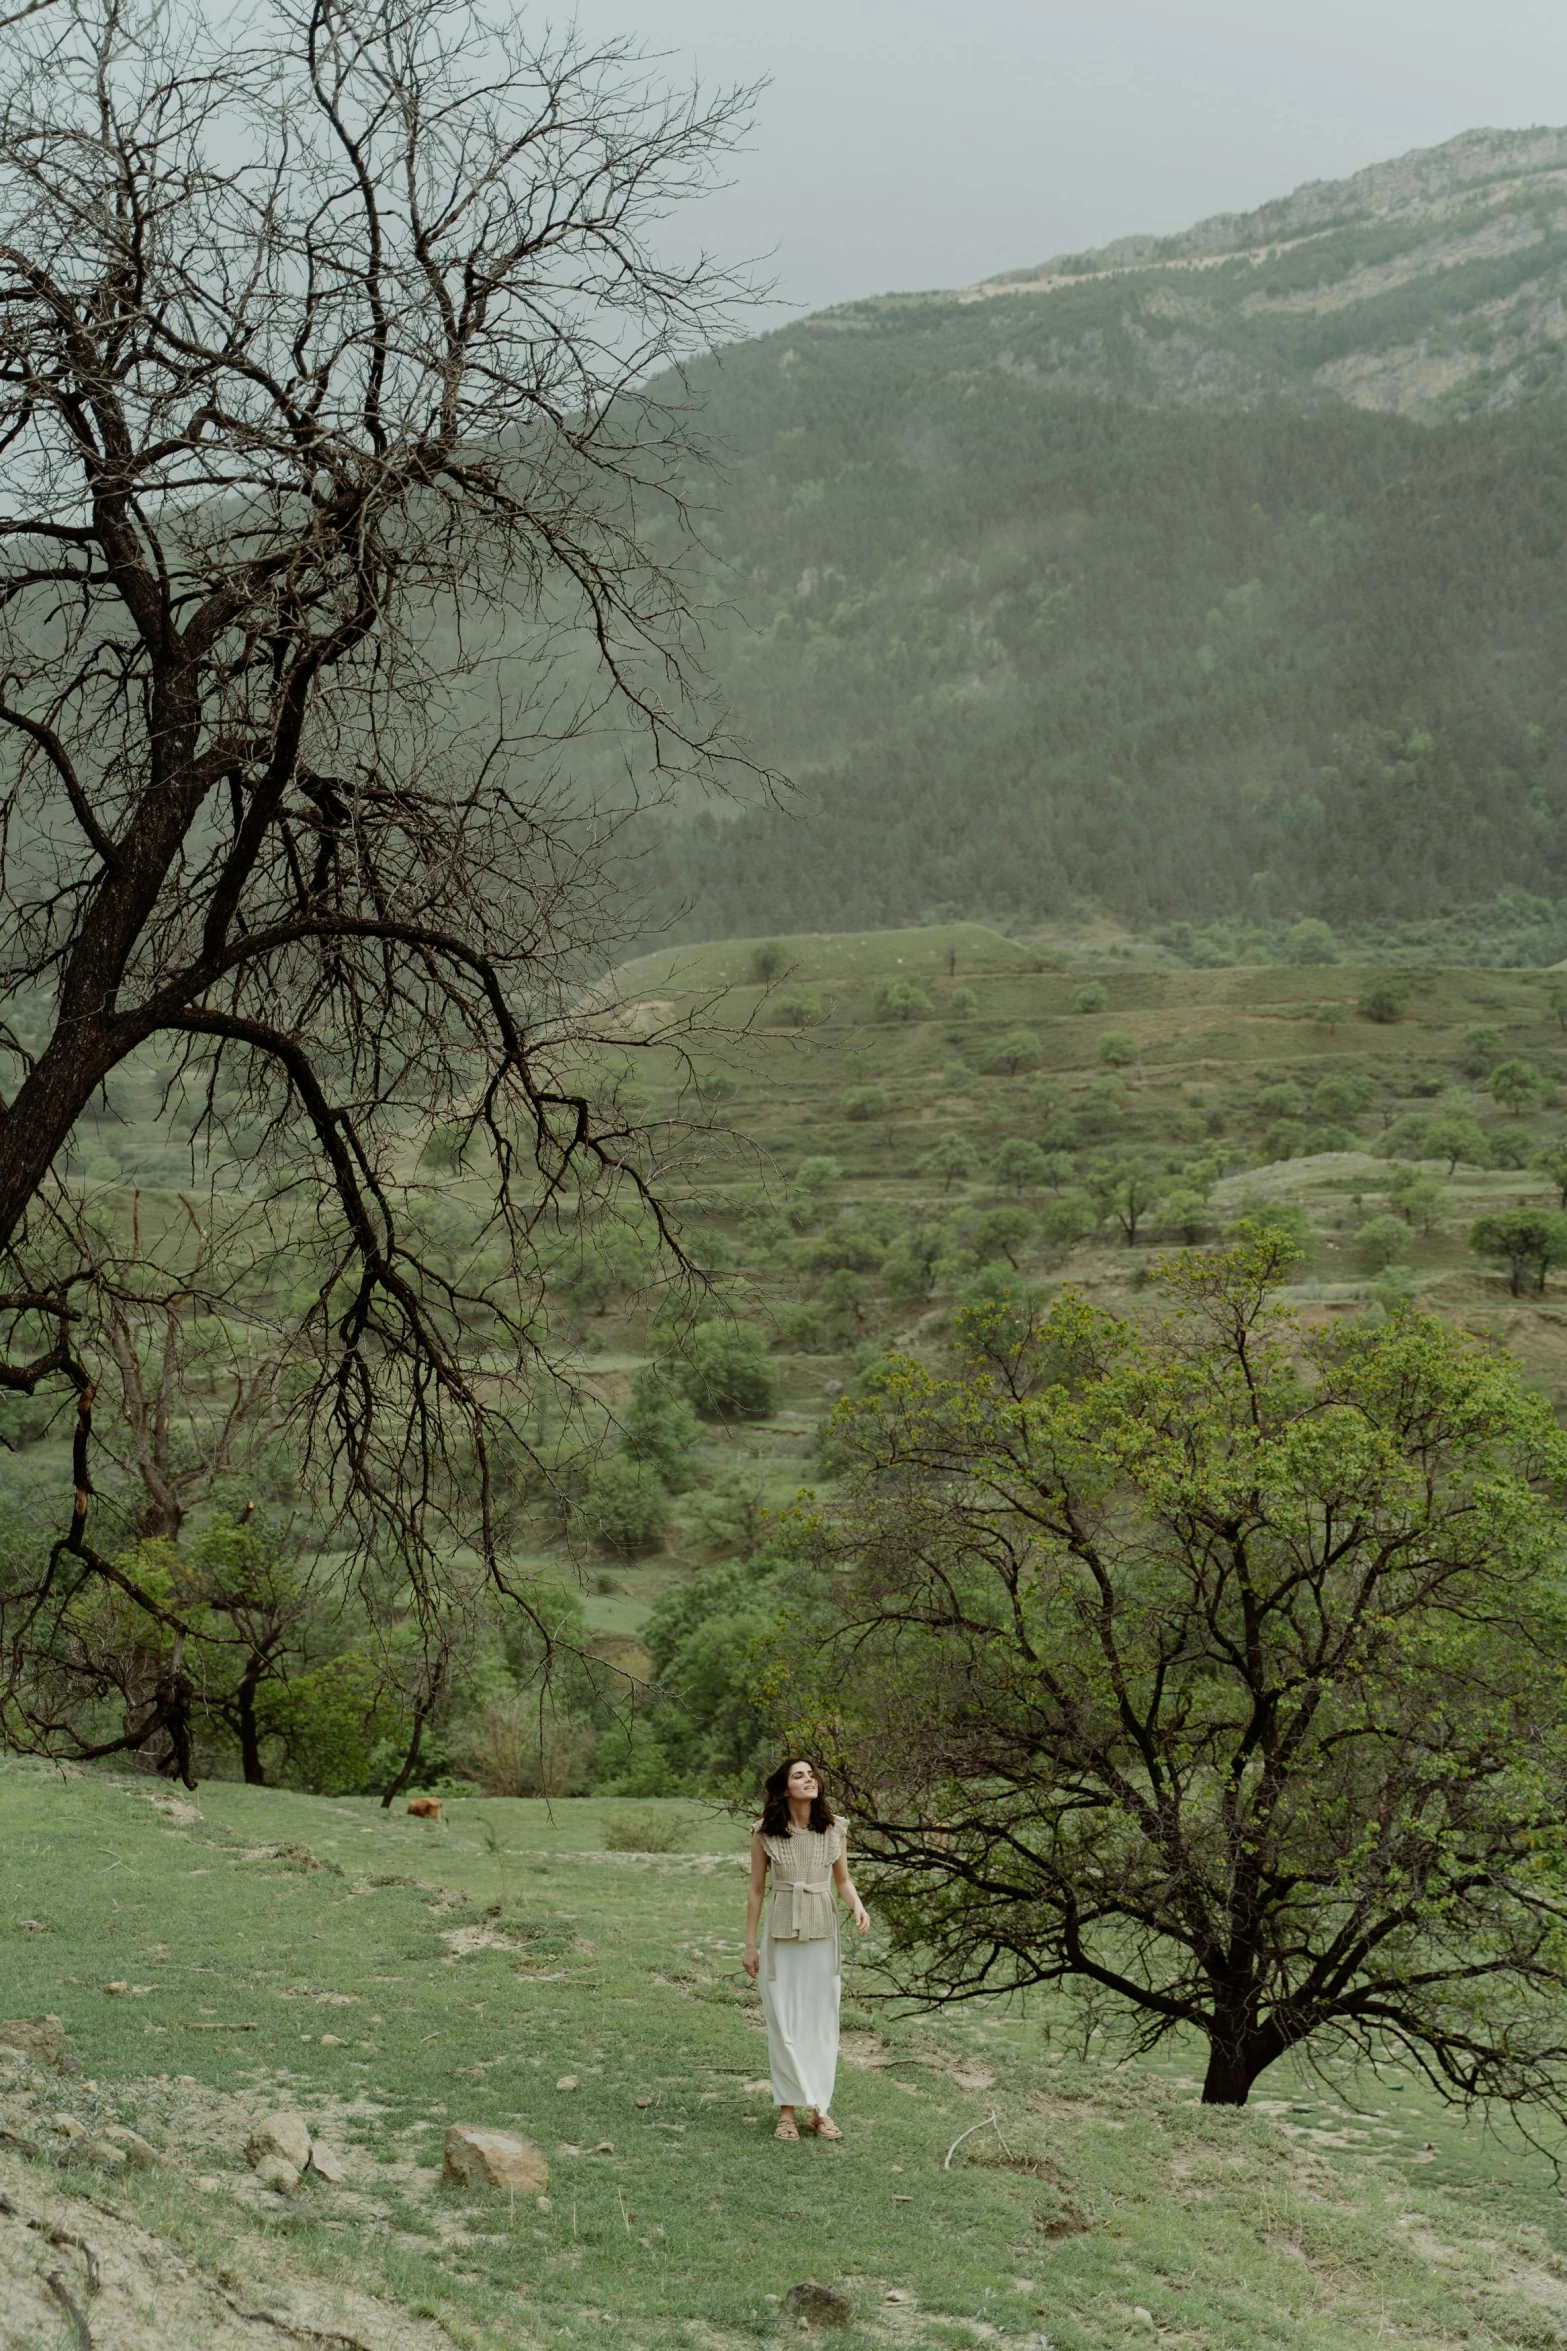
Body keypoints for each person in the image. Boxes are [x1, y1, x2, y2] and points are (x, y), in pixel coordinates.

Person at [742, 1756, 870, 2142]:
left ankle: (820, 2110)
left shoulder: (834, 1829)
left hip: (822, 1935)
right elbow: (756, 1889)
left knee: (820, 2022)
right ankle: (787, 2113)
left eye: (812, 1774)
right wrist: (750, 1944)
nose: (809, 1779)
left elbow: (843, 1881)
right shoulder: (765, 1832)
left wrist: (858, 1904)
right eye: (799, 1776)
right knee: (784, 2022)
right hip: (780, 1938)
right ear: (785, 1788)